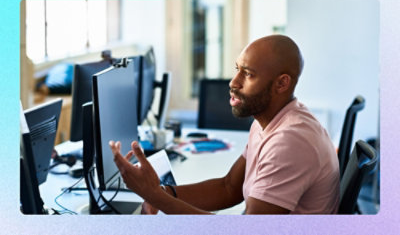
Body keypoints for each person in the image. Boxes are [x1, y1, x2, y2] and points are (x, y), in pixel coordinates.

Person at [109, 35, 340, 214]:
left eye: (248, 74)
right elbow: (229, 187)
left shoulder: (290, 141)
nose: (233, 82)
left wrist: (156, 197)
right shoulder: (269, 121)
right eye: (236, 69)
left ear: (282, 84)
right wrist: (163, 192)